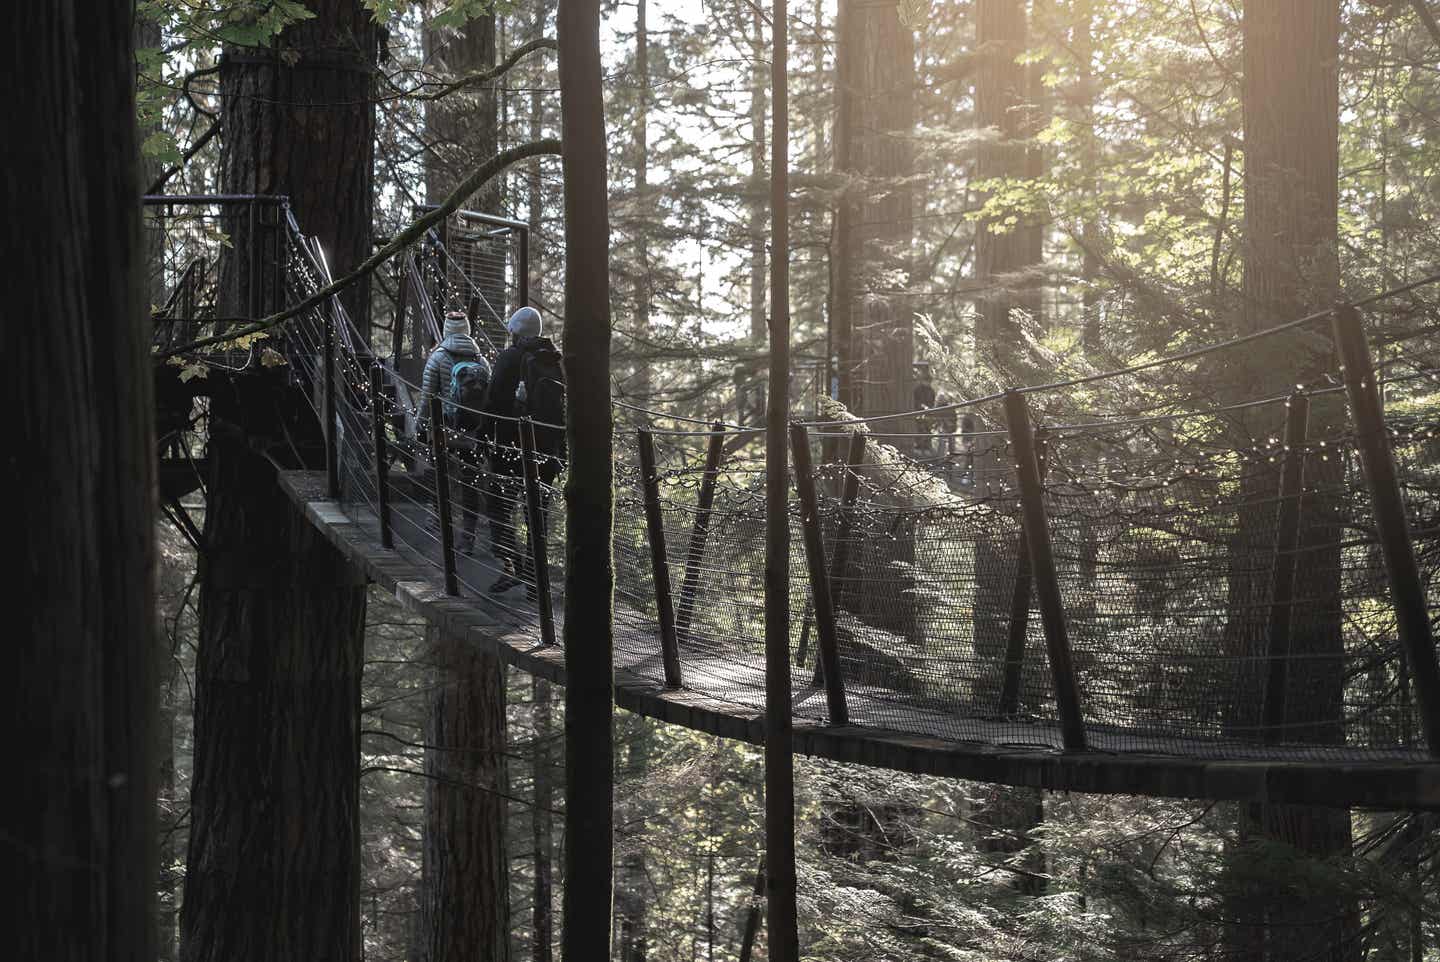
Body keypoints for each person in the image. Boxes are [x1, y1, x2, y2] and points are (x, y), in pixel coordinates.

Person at [481, 306, 566, 593]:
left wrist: (483, 435)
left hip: (511, 448)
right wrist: (561, 451)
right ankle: (534, 580)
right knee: (536, 514)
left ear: (515, 332)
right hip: (547, 450)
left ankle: (512, 565)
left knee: (498, 506)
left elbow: (492, 401)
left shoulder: (509, 358)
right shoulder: (555, 360)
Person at [420, 311, 490, 555]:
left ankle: (439, 524)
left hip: (444, 429)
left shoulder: (437, 357)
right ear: (468, 330)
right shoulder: (481, 360)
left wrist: (421, 423)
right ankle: (468, 536)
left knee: (438, 474)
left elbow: (427, 395)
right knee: (470, 482)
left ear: (446, 329)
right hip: (472, 431)